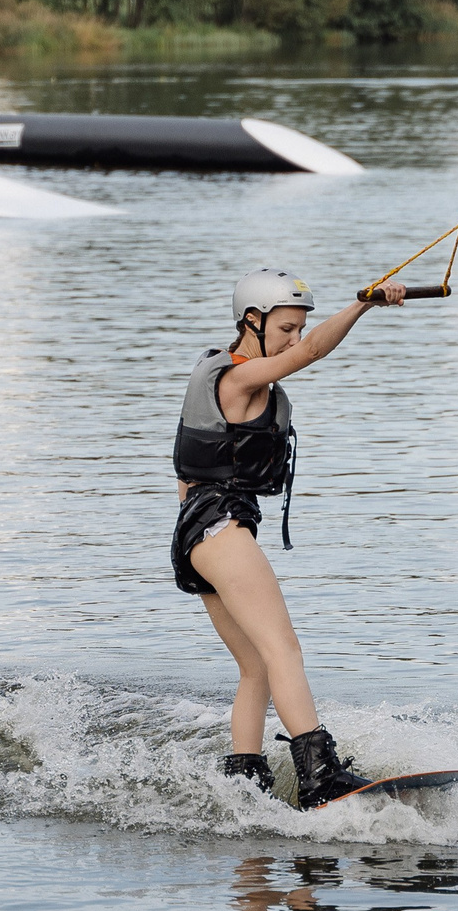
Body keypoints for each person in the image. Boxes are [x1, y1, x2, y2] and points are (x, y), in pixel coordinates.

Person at [174, 269, 408, 810]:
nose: (294, 341)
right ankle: (320, 778)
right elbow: (308, 358)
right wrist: (364, 305)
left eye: (300, 328)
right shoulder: (234, 378)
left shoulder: (217, 378)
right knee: (285, 650)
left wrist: (203, 538)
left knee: (256, 665)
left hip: (198, 534)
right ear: (251, 322)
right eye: (285, 328)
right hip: (219, 529)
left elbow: (186, 472)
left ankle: (244, 784)